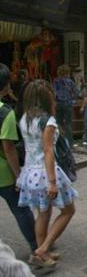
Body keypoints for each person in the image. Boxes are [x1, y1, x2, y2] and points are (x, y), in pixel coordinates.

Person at [17, 79, 78, 267]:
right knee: (68, 210)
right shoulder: (48, 121)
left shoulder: (24, 118)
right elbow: (48, 150)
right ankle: (44, 248)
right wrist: (52, 181)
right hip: (45, 172)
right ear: (46, 98)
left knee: (43, 213)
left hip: (29, 172)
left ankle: (40, 253)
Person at [0, 64, 37, 261]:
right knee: (21, 210)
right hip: (4, 173)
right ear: (6, 86)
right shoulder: (6, 113)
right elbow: (8, 148)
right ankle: (36, 248)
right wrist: (18, 175)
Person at [53, 64, 77, 146]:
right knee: (68, 124)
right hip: (68, 104)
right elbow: (76, 93)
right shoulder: (70, 82)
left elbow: (54, 93)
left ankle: (59, 142)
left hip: (59, 104)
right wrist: (72, 100)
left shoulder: (56, 81)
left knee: (58, 123)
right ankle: (70, 143)